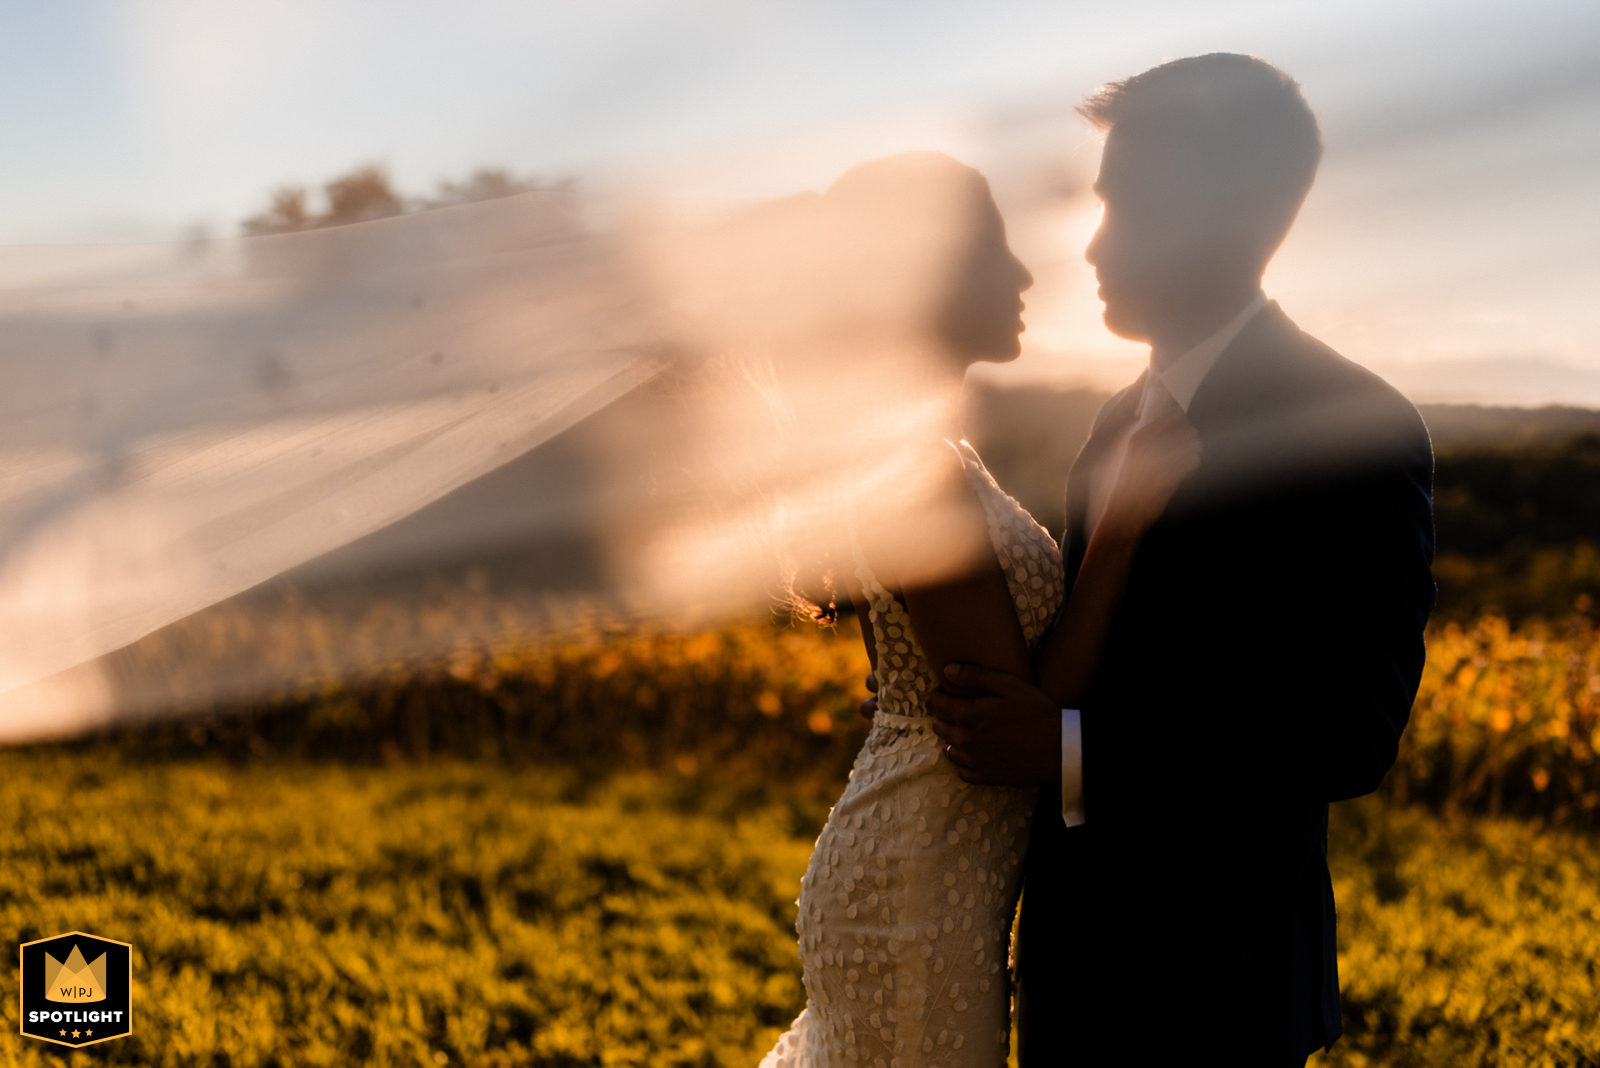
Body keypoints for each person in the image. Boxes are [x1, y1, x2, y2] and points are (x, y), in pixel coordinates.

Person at [923, 55, 1437, 1066]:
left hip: (1220, 993)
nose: (1096, 240)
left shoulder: (1354, 428)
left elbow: (1348, 731)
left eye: (1127, 205)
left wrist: (1071, 752)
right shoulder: (1116, 420)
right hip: (1072, 971)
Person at [759, 153, 1201, 1067]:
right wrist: (1120, 529)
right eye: (995, 247)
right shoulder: (913, 467)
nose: (1026, 273)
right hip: (920, 891)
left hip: (919, 863)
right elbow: (1018, 723)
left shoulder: (921, 450)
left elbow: (929, 661)